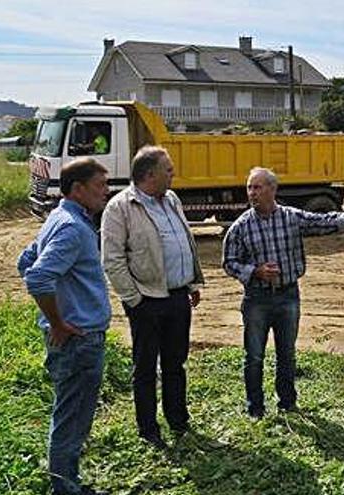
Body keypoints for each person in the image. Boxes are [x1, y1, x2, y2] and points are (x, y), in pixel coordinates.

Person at [222, 167, 344, 418]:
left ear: (273, 190)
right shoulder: (241, 227)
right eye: (250, 187)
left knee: (287, 354)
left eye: (258, 187)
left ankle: (287, 404)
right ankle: (255, 409)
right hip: (257, 299)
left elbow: (319, 222)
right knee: (253, 357)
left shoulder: (290, 217)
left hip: (288, 296)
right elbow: (229, 262)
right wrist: (255, 272)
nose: (252, 193)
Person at [17, 158, 111, 495]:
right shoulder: (72, 227)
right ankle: (65, 488)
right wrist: (58, 321)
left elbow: (25, 261)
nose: (106, 191)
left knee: (69, 415)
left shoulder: (59, 217)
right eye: (100, 185)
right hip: (78, 339)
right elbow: (39, 277)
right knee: (72, 419)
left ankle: (67, 482)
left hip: (75, 336)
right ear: (78, 188)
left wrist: (62, 304)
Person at [101, 145, 204, 449]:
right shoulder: (120, 207)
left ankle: (178, 419)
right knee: (145, 368)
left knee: (176, 362)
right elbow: (113, 260)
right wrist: (134, 300)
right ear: (149, 175)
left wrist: (190, 283)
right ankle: (148, 429)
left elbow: (182, 241)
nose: (173, 174)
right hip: (146, 300)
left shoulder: (171, 199)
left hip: (176, 297)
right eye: (168, 170)